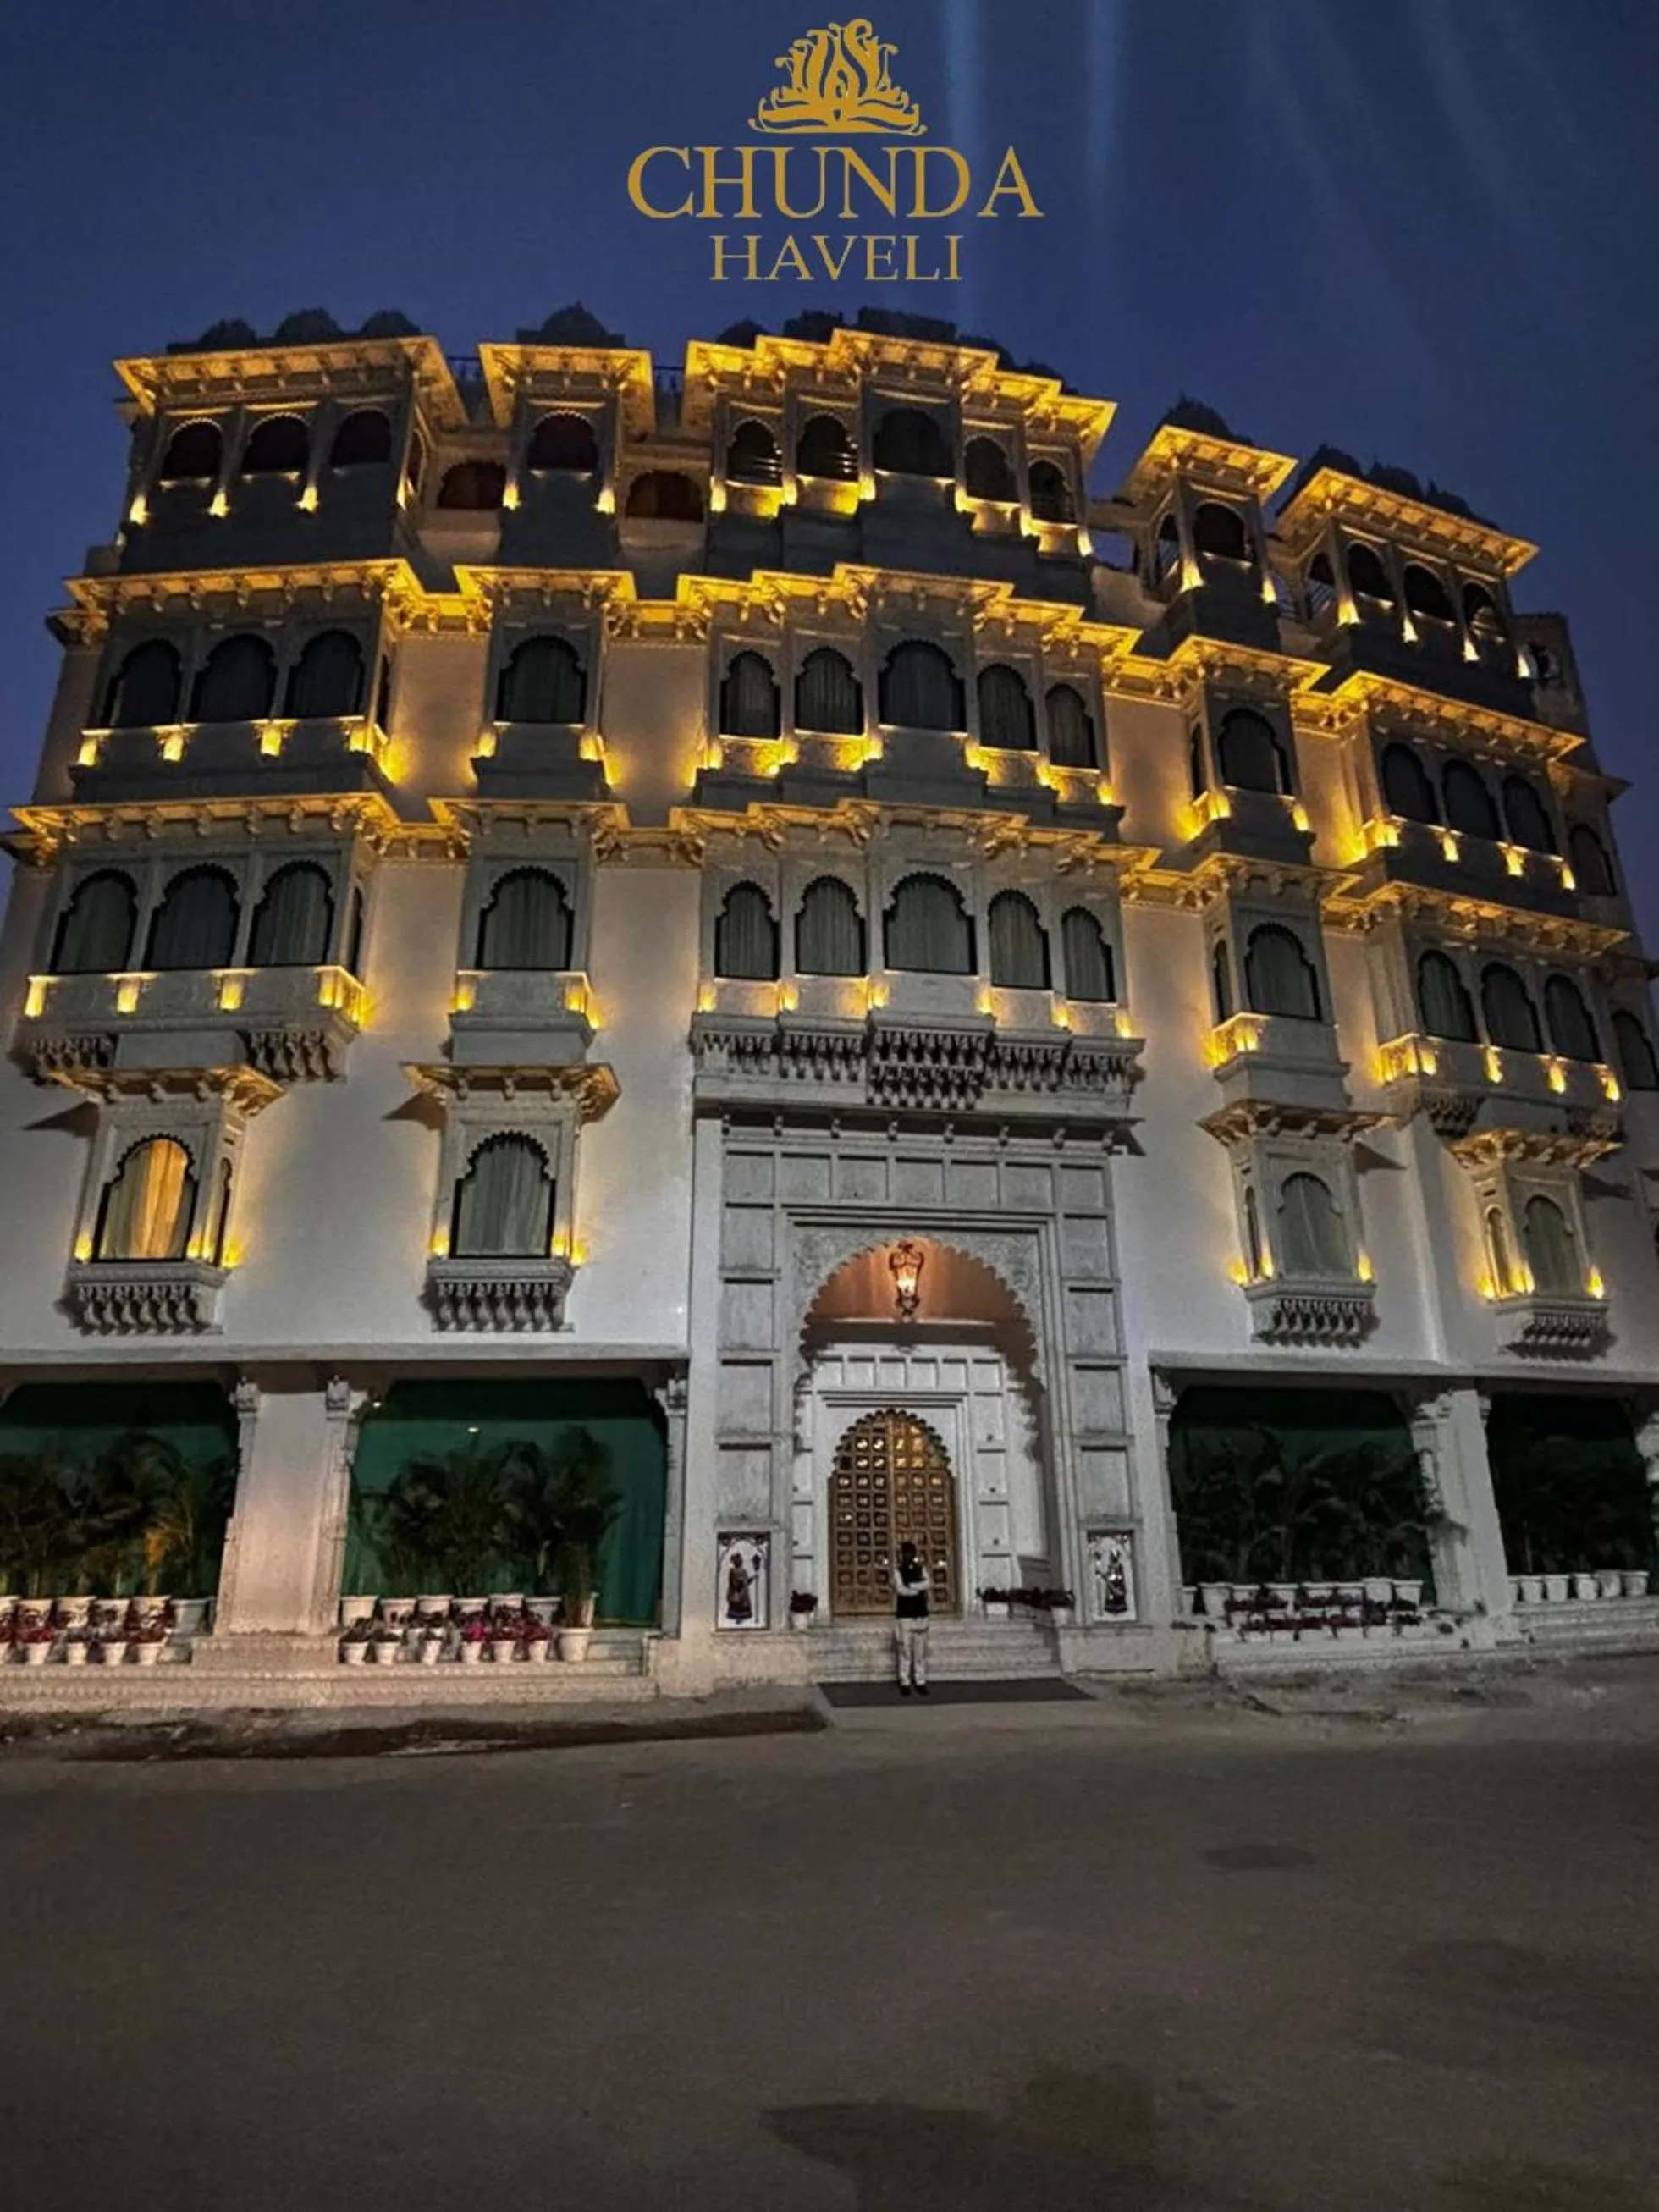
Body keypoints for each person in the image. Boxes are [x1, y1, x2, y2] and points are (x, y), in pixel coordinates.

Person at [892, 1540, 930, 1696]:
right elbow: (901, 1590)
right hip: (905, 1617)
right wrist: (916, 1589)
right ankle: (905, 1681)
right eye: (905, 1553)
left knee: (920, 1652)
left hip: (921, 1616)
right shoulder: (898, 1571)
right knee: (905, 1650)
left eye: (910, 1553)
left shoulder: (921, 1569)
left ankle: (920, 1681)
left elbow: (927, 1584)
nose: (907, 1556)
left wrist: (912, 1586)